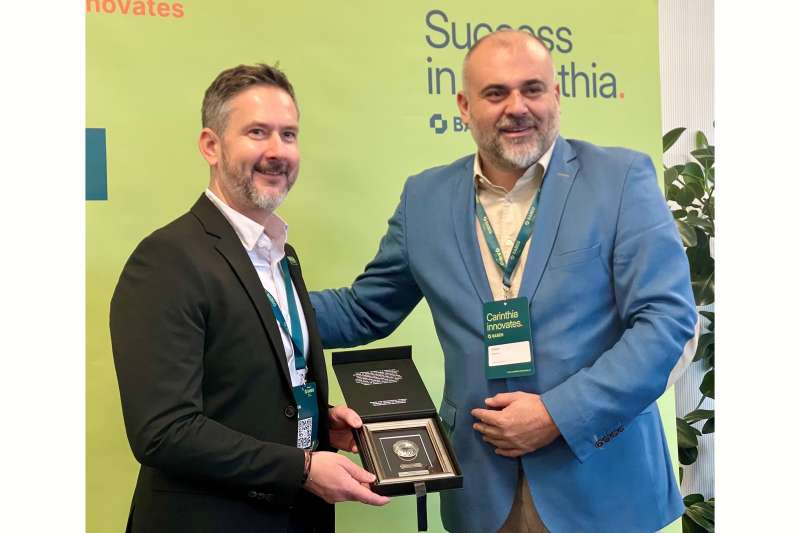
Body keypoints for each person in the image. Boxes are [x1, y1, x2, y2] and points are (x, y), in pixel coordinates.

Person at [310, 31, 697, 533]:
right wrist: (260, 302)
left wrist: (558, 414)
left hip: (604, 488)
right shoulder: (424, 198)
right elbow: (364, 310)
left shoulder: (620, 179)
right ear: (464, 107)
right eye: (495, 93)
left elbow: (666, 323)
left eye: (532, 89)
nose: (517, 107)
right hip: (481, 491)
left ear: (556, 95)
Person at [110, 63, 389, 533]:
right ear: (211, 145)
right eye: (257, 132)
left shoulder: (283, 256)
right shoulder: (166, 260)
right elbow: (163, 431)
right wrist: (301, 467)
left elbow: (249, 391)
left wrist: (318, 424)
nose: (277, 151)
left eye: (289, 135)